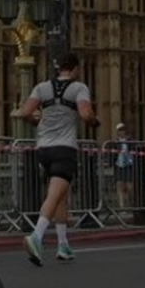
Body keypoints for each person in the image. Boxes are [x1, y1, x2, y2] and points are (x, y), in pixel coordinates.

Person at [21, 53, 96, 263]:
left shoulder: (41, 87)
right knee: (54, 195)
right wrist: (94, 121)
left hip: (43, 148)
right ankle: (37, 236)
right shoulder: (79, 88)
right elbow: (85, 114)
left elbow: (26, 112)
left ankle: (63, 245)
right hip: (64, 148)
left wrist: (40, 124)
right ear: (74, 69)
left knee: (62, 194)